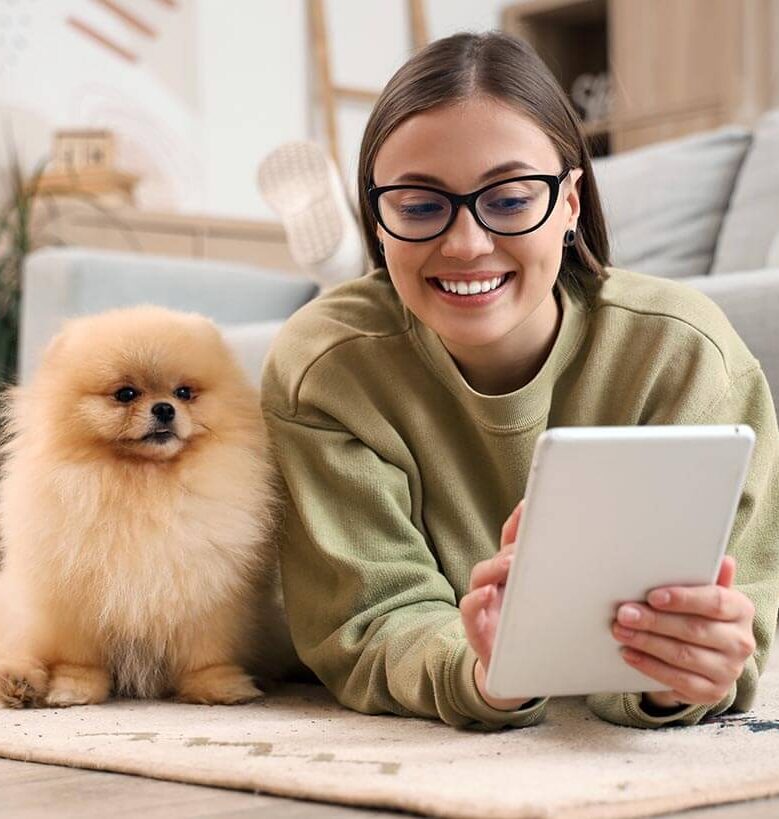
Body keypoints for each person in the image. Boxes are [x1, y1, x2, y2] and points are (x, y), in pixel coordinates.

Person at [260, 31, 779, 730]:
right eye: (418, 206)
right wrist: (481, 668)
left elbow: (735, 615)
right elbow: (367, 617)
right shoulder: (324, 368)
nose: (466, 242)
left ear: (569, 203)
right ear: (377, 222)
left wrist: (676, 673)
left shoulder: (686, 354)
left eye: (507, 199)